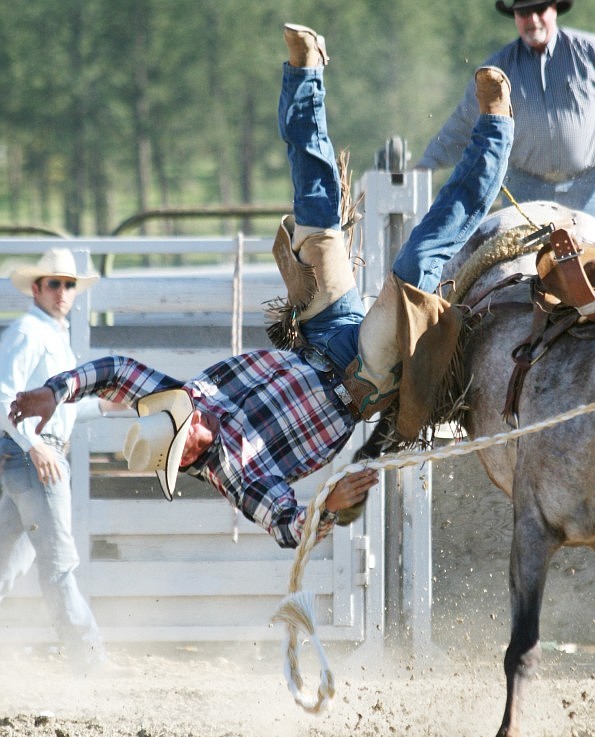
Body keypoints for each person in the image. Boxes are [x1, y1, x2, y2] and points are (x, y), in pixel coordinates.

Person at [8, 25, 513, 550]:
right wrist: (330, 507)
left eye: (181, 412)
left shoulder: (178, 400)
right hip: (361, 375)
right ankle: (495, 133)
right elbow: (289, 527)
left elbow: (112, 371)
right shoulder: (239, 475)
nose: (190, 409)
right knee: (414, 269)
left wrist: (54, 391)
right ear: (185, 456)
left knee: (314, 216)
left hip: (320, 331)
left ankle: (305, 75)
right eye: (187, 425)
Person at [0, 247, 126, 675]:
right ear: (36, 288)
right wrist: (35, 446)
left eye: (69, 284)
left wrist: (106, 407)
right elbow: (4, 397)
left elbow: (60, 410)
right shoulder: (30, 334)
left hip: (29, 458)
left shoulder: (50, 337)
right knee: (58, 566)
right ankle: (89, 661)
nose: (63, 291)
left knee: (7, 563)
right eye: (55, 283)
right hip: (38, 460)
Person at [416, 1, 595, 215]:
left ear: (554, 9)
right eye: (524, 13)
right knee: (514, 247)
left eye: (539, 10)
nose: (533, 20)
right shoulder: (498, 69)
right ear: (516, 17)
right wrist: (427, 164)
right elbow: (465, 122)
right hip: (526, 190)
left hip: (587, 188)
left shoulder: (588, 52)